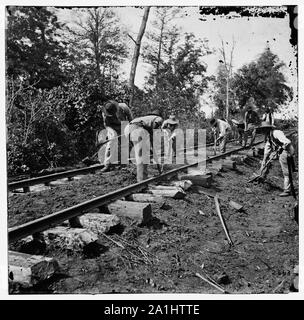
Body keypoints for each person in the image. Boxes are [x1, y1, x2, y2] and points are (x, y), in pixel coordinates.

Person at [256, 121, 295, 197]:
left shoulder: (276, 133)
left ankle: (287, 190)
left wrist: (281, 147)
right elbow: (267, 149)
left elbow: (287, 142)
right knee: (268, 161)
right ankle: (262, 176)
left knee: (286, 172)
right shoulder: (269, 136)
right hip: (281, 152)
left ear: (267, 128)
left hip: (286, 151)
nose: (262, 131)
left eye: (263, 129)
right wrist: (264, 159)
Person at [124, 110, 163, 182]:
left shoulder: (145, 118)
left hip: (127, 129)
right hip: (137, 130)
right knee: (142, 157)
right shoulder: (158, 118)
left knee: (140, 155)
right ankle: (142, 181)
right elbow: (154, 128)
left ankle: (141, 176)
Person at [100, 100, 133, 172]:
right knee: (111, 144)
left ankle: (123, 164)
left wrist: (129, 128)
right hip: (112, 126)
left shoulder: (124, 107)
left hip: (124, 124)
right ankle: (107, 165)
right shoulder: (104, 113)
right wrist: (112, 133)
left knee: (124, 144)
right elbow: (106, 125)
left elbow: (130, 119)